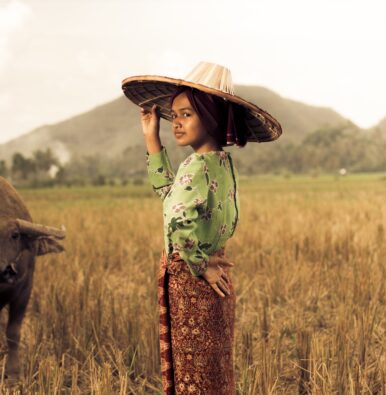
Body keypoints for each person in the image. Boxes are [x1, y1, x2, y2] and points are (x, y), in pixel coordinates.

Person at [122, 62, 282, 394]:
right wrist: (152, 138)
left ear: (210, 118)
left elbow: (177, 221)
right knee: (213, 369)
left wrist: (199, 263)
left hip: (192, 281)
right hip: (211, 279)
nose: (176, 123)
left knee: (192, 372)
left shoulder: (195, 166)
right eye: (174, 115)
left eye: (186, 115)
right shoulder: (220, 163)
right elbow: (172, 199)